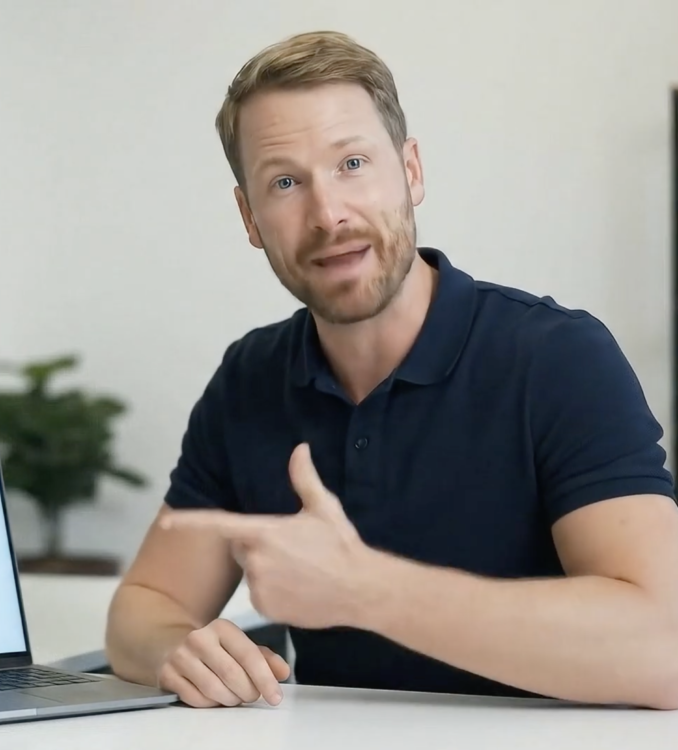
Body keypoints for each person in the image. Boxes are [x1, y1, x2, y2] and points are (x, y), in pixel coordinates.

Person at [104, 30, 678, 710]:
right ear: (249, 217)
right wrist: (179, 648)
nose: (328, 214)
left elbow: (662, 650)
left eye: (352, 163)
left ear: (410, 171)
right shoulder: (250, 378)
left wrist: (365, 589)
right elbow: (145, 606)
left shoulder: (557, 358)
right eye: (285, 182)